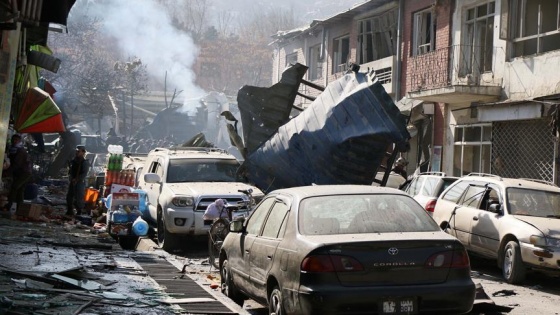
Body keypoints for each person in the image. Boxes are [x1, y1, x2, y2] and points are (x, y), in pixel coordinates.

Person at [4, 134, 32, 212]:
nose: (14, 141)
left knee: (15, 187)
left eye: (16, 140)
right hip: (22, 172)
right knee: (20, 190)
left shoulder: (20, 151)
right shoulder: (13, 149)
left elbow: (16, 164)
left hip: (25, 173)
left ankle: (9, 205)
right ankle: (20, 209)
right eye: (13, 139)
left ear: (19, 141)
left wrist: (7, 172)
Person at [66, 145, 90, 216]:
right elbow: (70, 171)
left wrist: (77, 179)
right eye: (76, 151)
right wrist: (71, 178)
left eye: (78, 151)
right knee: (69, 197)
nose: (77, 153)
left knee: (79, 198)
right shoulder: (74, 161)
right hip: (73, 181)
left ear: (83, 152)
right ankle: (70, 211)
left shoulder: (84, 162)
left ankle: (79, 211)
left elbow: (84, 173)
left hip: (79, 182)